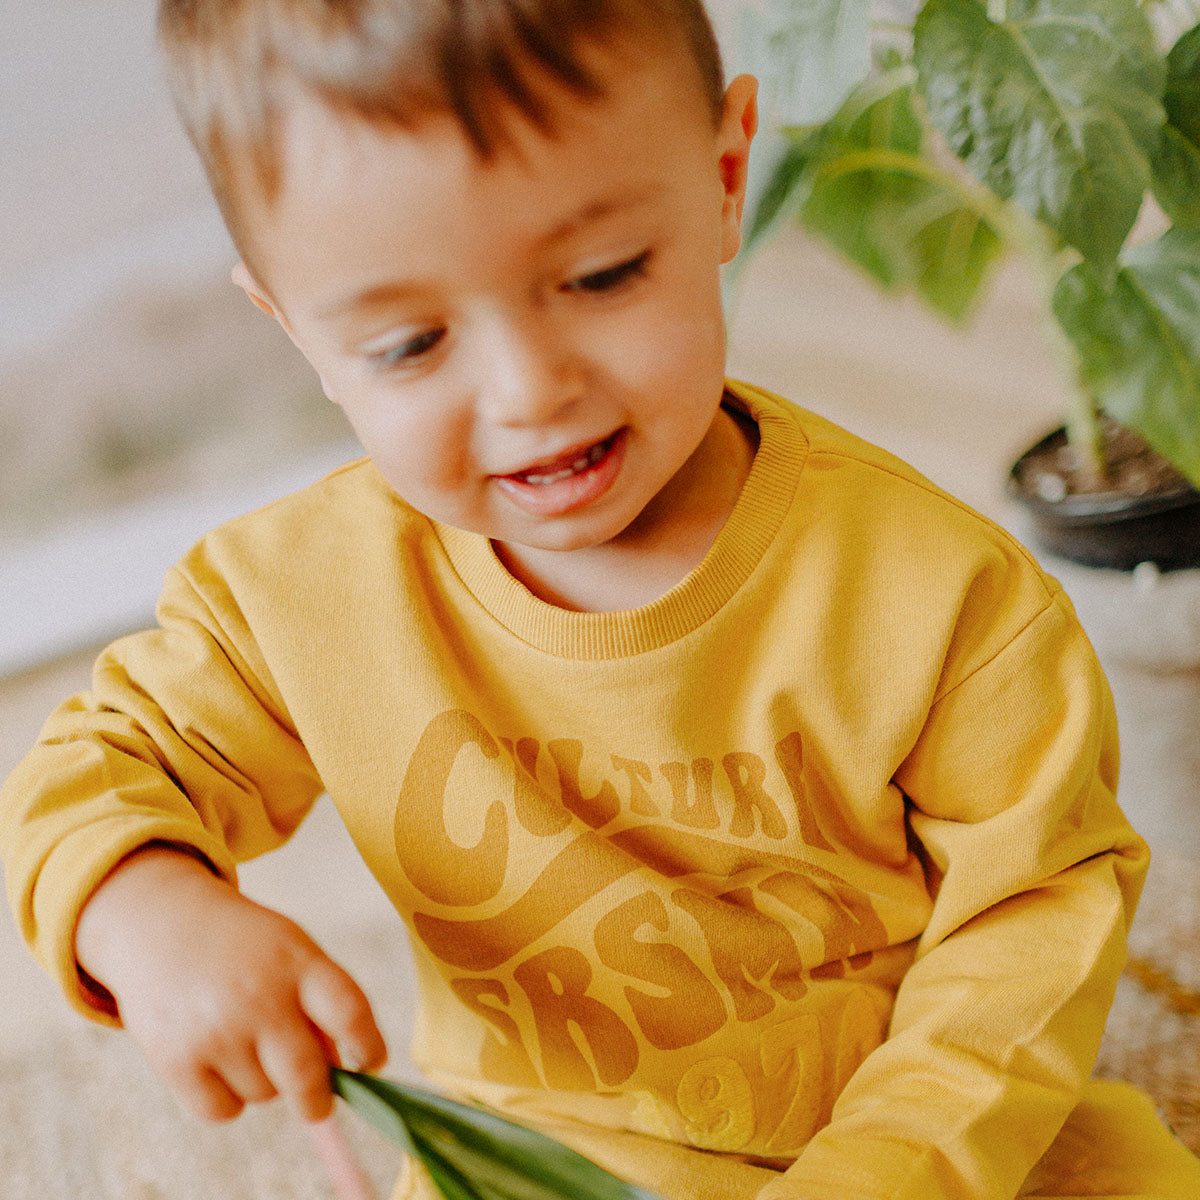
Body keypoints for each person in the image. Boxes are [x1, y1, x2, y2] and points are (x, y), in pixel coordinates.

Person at [2, 2, 1198, 1197]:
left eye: (601, 275)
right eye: (412, 344)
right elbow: (99, 770)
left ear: (726, 179)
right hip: (555, 1165)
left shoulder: (944, 599)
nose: (530, 391)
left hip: (924, 1148)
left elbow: (1035, 914)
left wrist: (888, 1168)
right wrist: (141, 906)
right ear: (291, 327)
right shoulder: (290, 595)